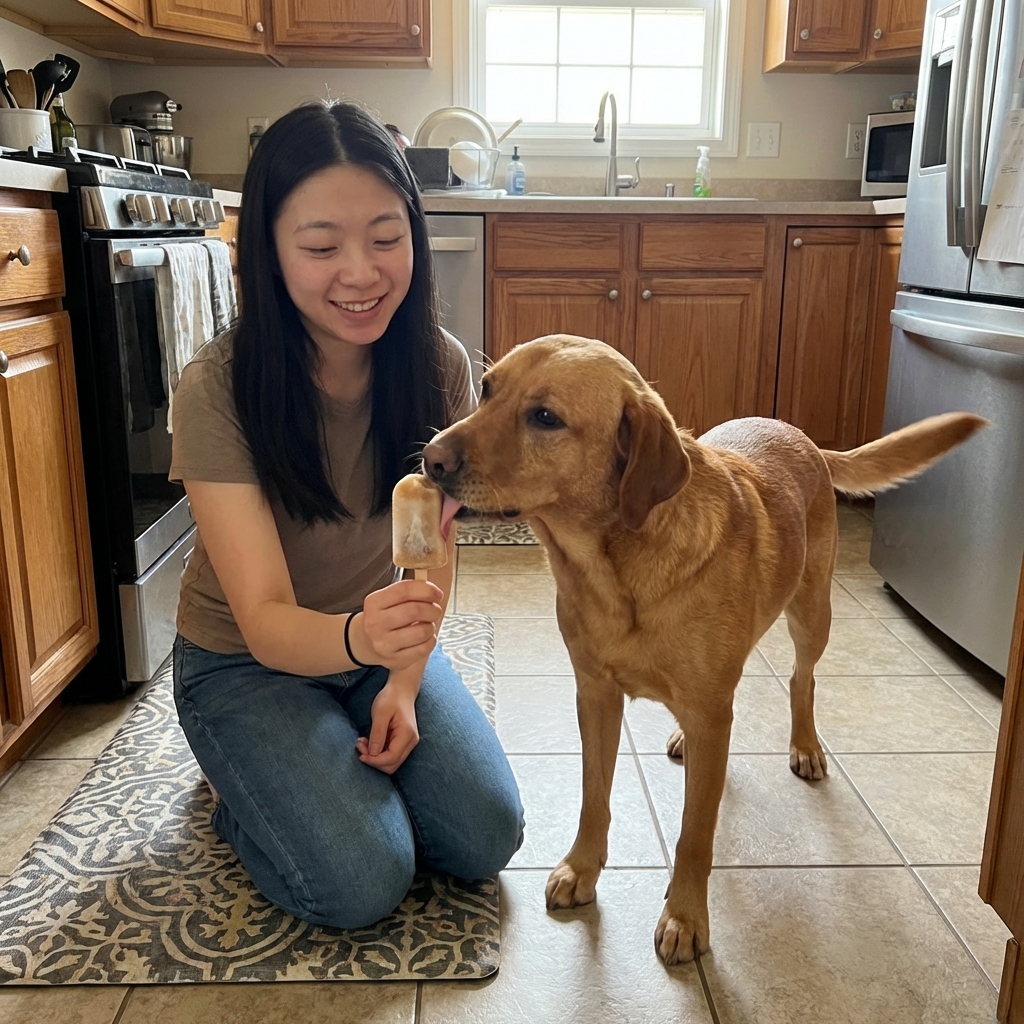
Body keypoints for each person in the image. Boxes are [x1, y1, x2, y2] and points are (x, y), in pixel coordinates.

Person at [169, 100, 524, 929]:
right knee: (362, 881)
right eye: (322, 246)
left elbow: (432, 551)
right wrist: (363, 642)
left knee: (485, 836)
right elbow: (260, 621)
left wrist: (400, 678)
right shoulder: (217, 390)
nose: (361, 274)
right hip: (245, 663)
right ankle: (238, 787)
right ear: (270, 251)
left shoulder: (439, 368)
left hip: (373, 650)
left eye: (387, 238)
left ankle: (316, 751)